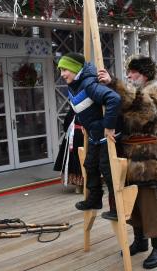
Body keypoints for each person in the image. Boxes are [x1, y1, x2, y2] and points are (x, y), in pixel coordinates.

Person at [98, 55, 157, 269]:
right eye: (128, 73)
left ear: (144, 73)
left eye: (133, 72)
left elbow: (147, 111)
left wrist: (114, 84)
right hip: (128, 154)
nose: (129, 76)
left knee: (149, 202)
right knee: (132, 202)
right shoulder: (133, 93)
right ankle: (140, 241)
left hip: (147, 155)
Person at [58, 52, 122, 216]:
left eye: (65, 69)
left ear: (75, 68)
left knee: (107, 171)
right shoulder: (73, 86)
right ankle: (95, 199)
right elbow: (79, 108)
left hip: (105, 135)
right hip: (94, 134)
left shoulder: (89, 84)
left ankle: (116, 208)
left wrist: (109, 126)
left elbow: (113, 99)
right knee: (89, 165)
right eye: (61, 70)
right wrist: (83, 123)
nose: (62, 74)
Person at [53, 108, 84, 194]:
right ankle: (82, 186)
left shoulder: (72, 111)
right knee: (80, 161)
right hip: (81, 138)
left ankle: (78, 187)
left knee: (74, 161)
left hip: (72, 138)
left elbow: (65, 127)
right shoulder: (87, 110)